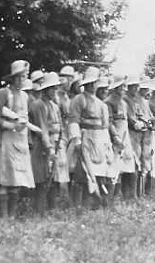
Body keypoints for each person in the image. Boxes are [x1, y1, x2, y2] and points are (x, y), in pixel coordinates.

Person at [0, 60, 37, 217]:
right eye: (20, 76)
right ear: (13, 78)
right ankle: (3, 216)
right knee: (4, 181)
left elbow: (26, 120)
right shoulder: (3, 93)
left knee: (17, 180)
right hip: (6, 142)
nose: (22, 80)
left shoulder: (25, 96)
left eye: (25, 76)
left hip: (20, 143)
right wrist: (12, 125)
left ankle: (12, 215)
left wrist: (27, 138)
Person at [68, 67, 115, 208]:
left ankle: (95, 203)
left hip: (99, 139)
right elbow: (73, 121)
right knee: (82, 172)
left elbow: (105, 127)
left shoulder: (102, 104)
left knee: (99, 171)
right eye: (91, 83)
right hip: (85, 137)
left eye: (94, 83)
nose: (93, 85)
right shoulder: (79, 100)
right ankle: (77, 205)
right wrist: (76, 139)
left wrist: (107, 145)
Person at [29, 72, 64, 214]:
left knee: (53, 177)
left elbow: (60, 126)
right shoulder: (38, 105)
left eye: (56, 88)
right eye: (52, 88)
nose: (55, 91)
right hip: (41, 144)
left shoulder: (54, 106)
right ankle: (39, 211)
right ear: (45, 89)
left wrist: (59, 141)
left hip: (55, 143)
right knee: (41, 178)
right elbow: (42, 128)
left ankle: (51, 209)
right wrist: (49, 148)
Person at [104, 75, 138, 201]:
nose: (124, 89)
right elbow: (109, 122)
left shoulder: (124, 103)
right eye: (121, 86)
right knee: (114, 167)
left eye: (124, 86)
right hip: (114, 138)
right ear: (115, 88)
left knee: (129, 165)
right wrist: (115, 137)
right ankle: (111, 198)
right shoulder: (108, 102)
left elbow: (128, 120)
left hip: (125, 137)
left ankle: (130, 196)